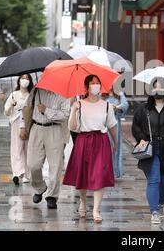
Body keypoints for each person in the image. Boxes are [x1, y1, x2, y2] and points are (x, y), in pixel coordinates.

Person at [63, 75, 118, 222]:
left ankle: (96, 209)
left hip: (101, 141)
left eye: (98, 83)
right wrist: (74, 110)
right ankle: (83, 201)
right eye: (92, 83)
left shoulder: (106, 105)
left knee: (99, 174)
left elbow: (112, 125)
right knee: (82, 174)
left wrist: (115, 142)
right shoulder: (79, 104)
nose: (96, 85)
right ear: (86, 87)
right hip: (83, 140)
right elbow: (72, 127)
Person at [131, 78, 164, 225]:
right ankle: (154, 211)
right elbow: (136, 127)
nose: (157, 90)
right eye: (155, 88)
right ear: (151, 90)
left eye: (161, 88)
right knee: (154, 179)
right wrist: (141, 138)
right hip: (150, 146)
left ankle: (160, 204)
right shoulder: (144, 108)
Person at [19, 86, 70, 210]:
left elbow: (65, 115)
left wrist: (46, 111)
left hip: (55, 129)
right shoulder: (36, 89)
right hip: (36, 128)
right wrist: (23, 126)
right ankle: (40, 187)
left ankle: (52, 195)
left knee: (56, 165)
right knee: (32, 164)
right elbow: (26, 108)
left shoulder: (63, 93)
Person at [4, 74, 33, 186]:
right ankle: (17, 172)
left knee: (27, 149)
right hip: (16, 123)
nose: (24, 80)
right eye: (23, 78)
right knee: (16, 148)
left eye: (27, 78)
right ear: (19, 80)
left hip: (28, 123)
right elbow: (6, 112)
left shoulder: (32, 95)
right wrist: (10, 106)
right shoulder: (13, 95)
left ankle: (26, 174)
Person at [102, 89, 129, 178]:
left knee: (115, 148)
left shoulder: (120, 94)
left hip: (115, 124)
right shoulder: (101, 94)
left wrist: (116, 107)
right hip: (103, 124)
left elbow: (125, 105)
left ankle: (114, 171)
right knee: (104, 149)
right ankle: (104, 172)